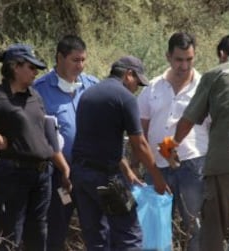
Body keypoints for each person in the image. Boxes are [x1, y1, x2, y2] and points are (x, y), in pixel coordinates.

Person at [0, 44, 72, 251]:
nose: (35, 73)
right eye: (31, 68)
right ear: (15, 67)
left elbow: (46, 133)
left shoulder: (34, 95)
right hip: (13, 175)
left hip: (41, 175)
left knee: (38, 233)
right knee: (10, 234)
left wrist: (63, 167)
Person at [71, 55, 170, 251]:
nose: (136, 88)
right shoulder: (125, 98)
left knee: (96, 238)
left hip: (81, 177)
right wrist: (158, 179)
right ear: (129, 74)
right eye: (137, 83)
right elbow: (139, 144)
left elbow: (103, 141)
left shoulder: (88, 94)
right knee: (129, 235)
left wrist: (128, 172)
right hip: (108, 180)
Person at [160, 34, 229, 251]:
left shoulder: (215, 75)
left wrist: (171, 144)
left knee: (211, 229)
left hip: (223, 166)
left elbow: (188, 119)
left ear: (222, 54)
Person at [136, 32, 209, 251]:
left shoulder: (204, 86)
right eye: (179, 59)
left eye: (189, 59)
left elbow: (214, 128)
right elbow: (140, 129)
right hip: (158, 168)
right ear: (168, 56)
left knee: (194, 227)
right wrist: (141, 163)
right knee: (156, 228)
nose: (184, 66)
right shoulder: (152, 87)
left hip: (193, 166)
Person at [33, 35, 99, 251]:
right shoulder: (39, 89)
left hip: (89, 172)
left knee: (97, 229)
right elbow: (42, 134)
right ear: (60, 58)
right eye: (74, 60)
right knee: (56, 230)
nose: (79, 66)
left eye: (83, 60)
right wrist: (63, 168)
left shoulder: (92, 86)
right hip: (58, 175)